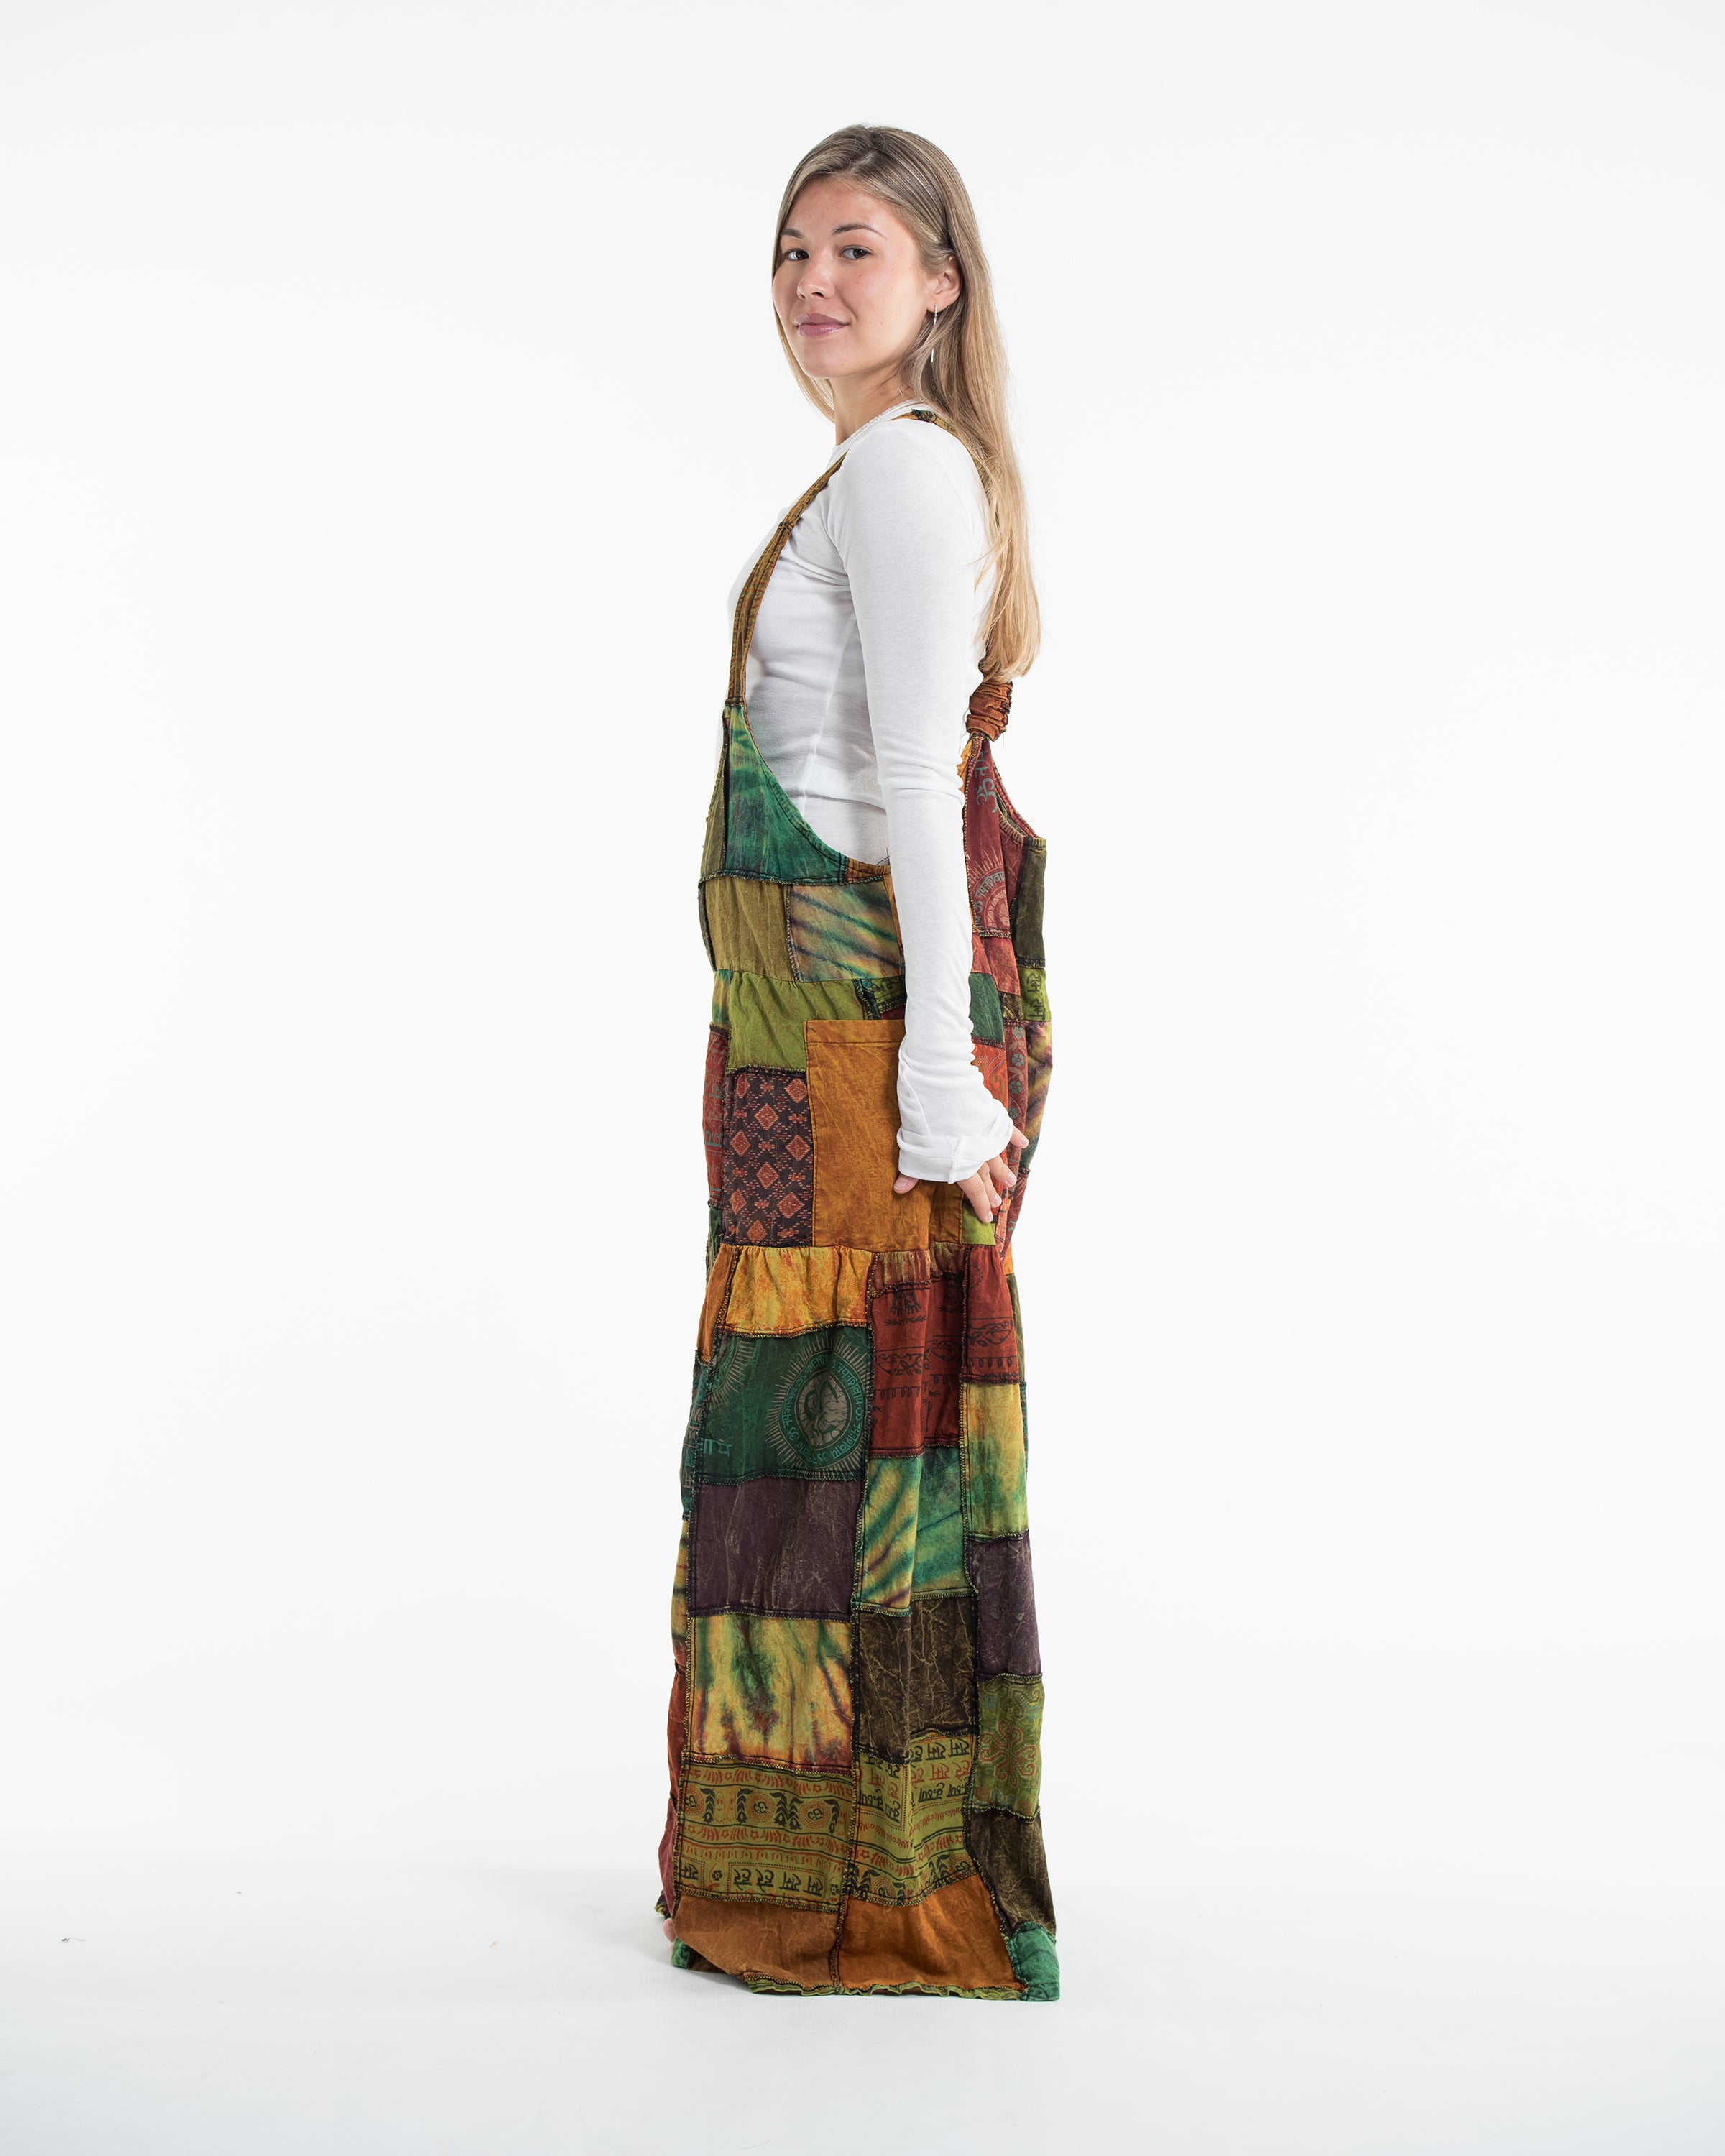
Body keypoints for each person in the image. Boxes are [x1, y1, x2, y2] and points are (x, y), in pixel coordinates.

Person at [654, 124, 1058, 2001]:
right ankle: (831, 1865)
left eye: (858, 249)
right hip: (795, 1039)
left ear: (940, 284)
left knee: (842, 1433)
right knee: (814, 1435)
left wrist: (941, 1078)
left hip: (849, 1036)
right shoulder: (875, 469)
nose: (813, 282)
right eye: (791, 249)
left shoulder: (900, 469)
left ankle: (869, 1889)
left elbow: (910, 779)